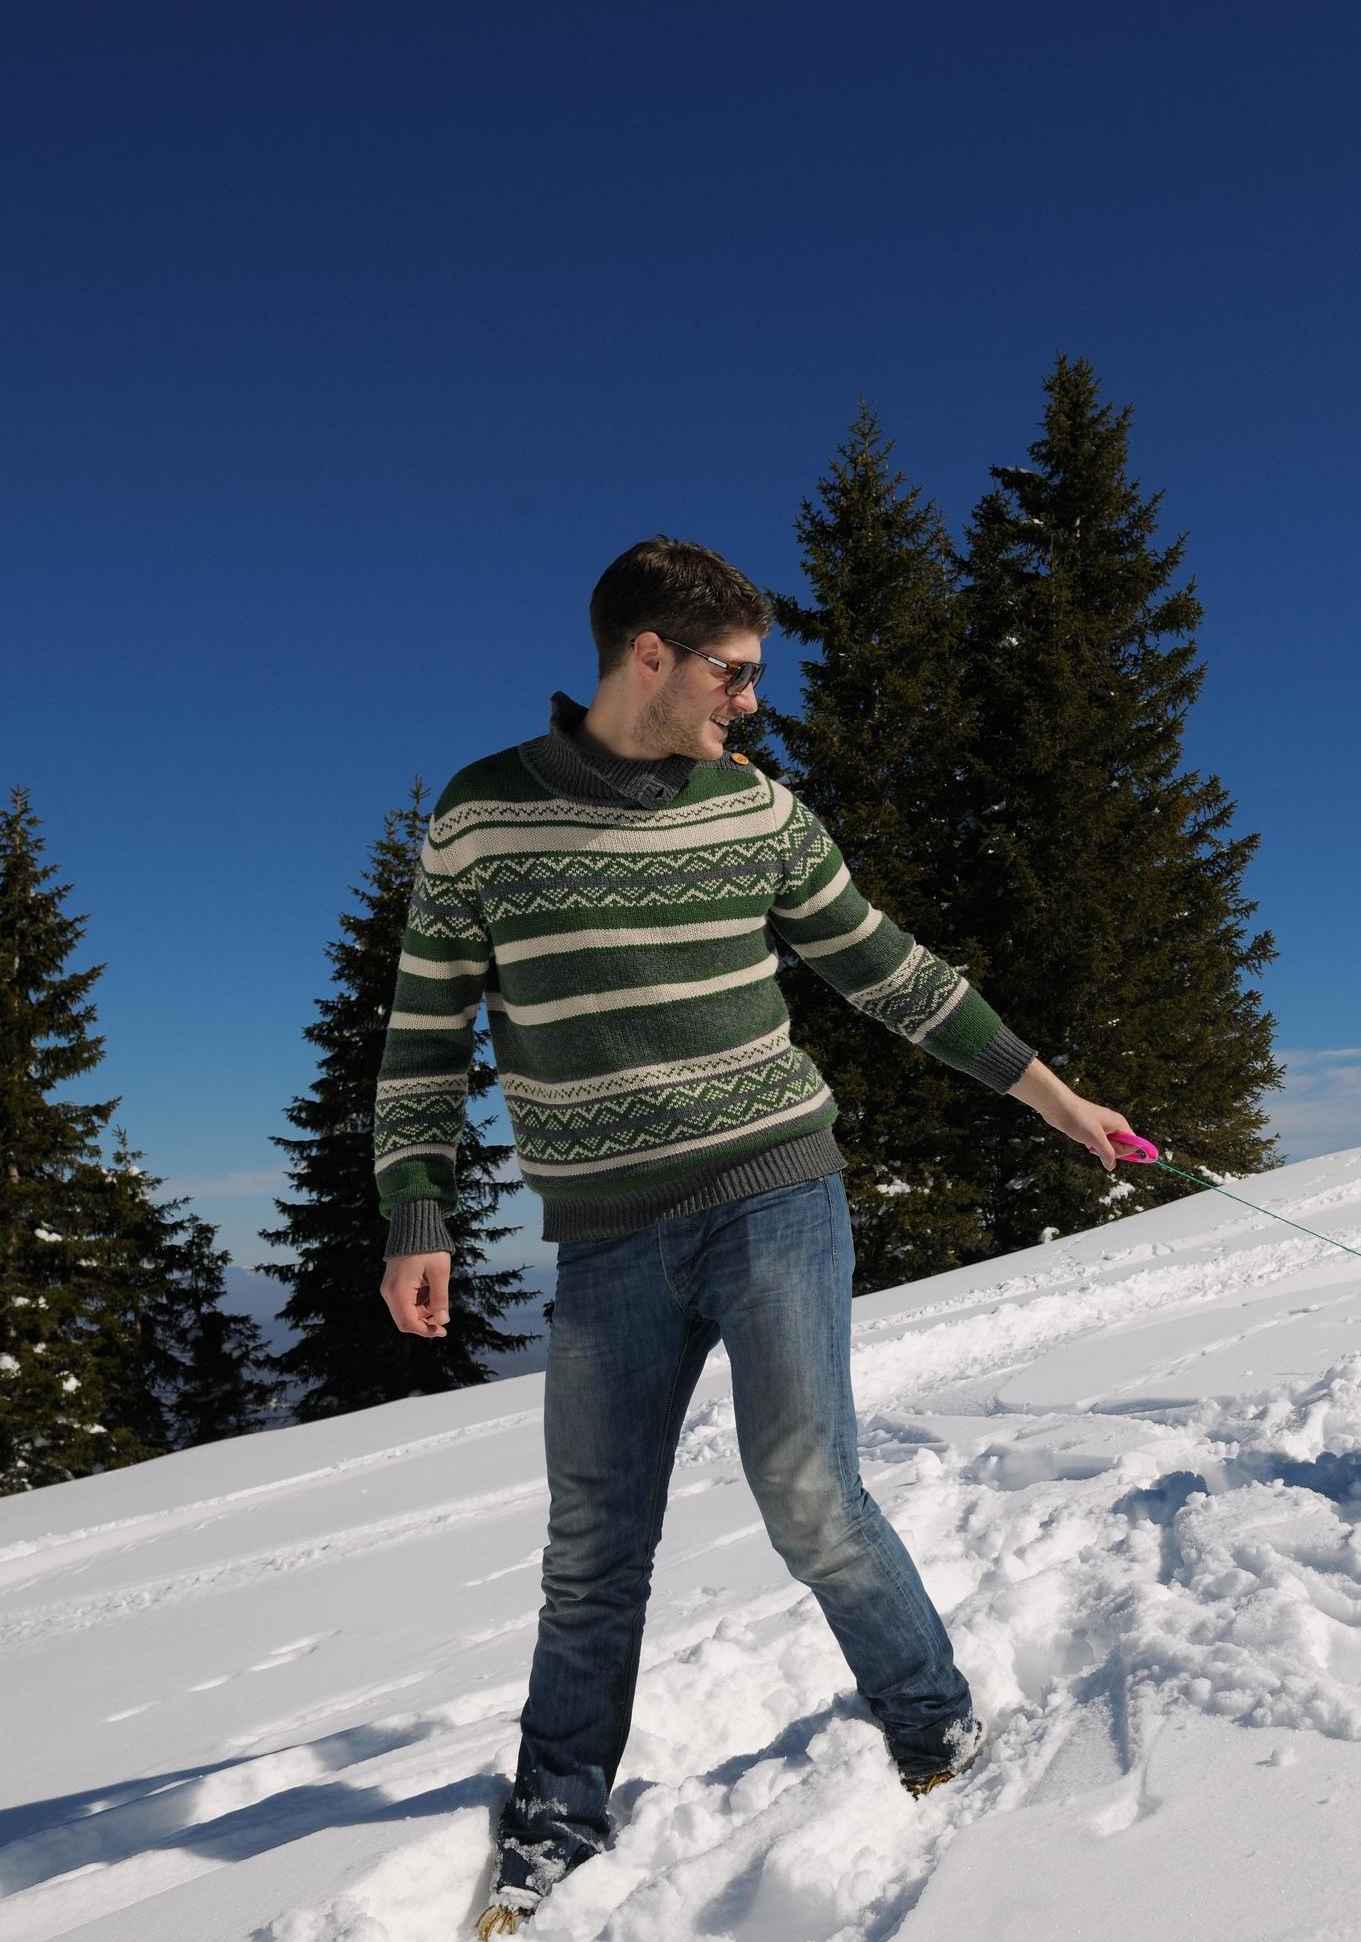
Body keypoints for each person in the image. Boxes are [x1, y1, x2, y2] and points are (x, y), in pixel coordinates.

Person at [371, 538, 1133, 1937]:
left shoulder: (760, 813)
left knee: (808, 1491)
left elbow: (891, 974)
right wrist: (415, 1211)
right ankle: (554, 1815)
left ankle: (933, 1723)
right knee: (594, 1545)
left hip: (777, 1192)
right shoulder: (484, 816)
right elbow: (423, 1033)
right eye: (731, 674)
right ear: (645, 657)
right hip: (605, 1239)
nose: (749, 702)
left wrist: (1056, 1098)